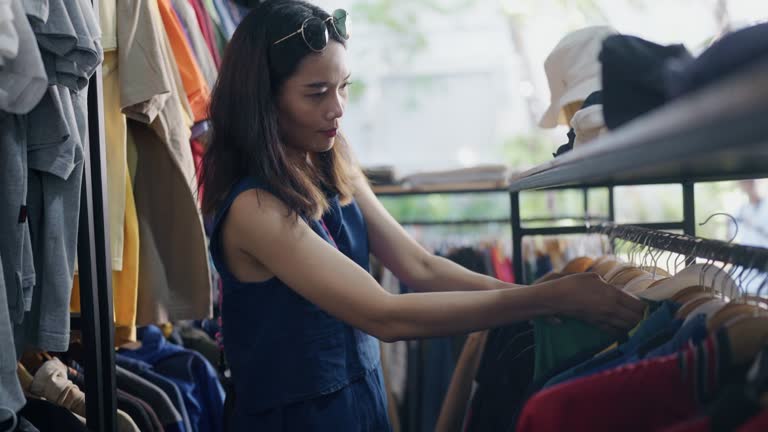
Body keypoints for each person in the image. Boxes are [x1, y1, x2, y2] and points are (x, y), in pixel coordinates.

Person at [199, 1, 645, 430]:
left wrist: (534, 301)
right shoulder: (253, 208)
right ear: (263, 100)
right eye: (316, 93)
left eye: (344, 86)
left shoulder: (331, 164)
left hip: (361, 400)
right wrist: (547, 299)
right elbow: (383, 314)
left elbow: (420, 267)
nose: (337, 108)